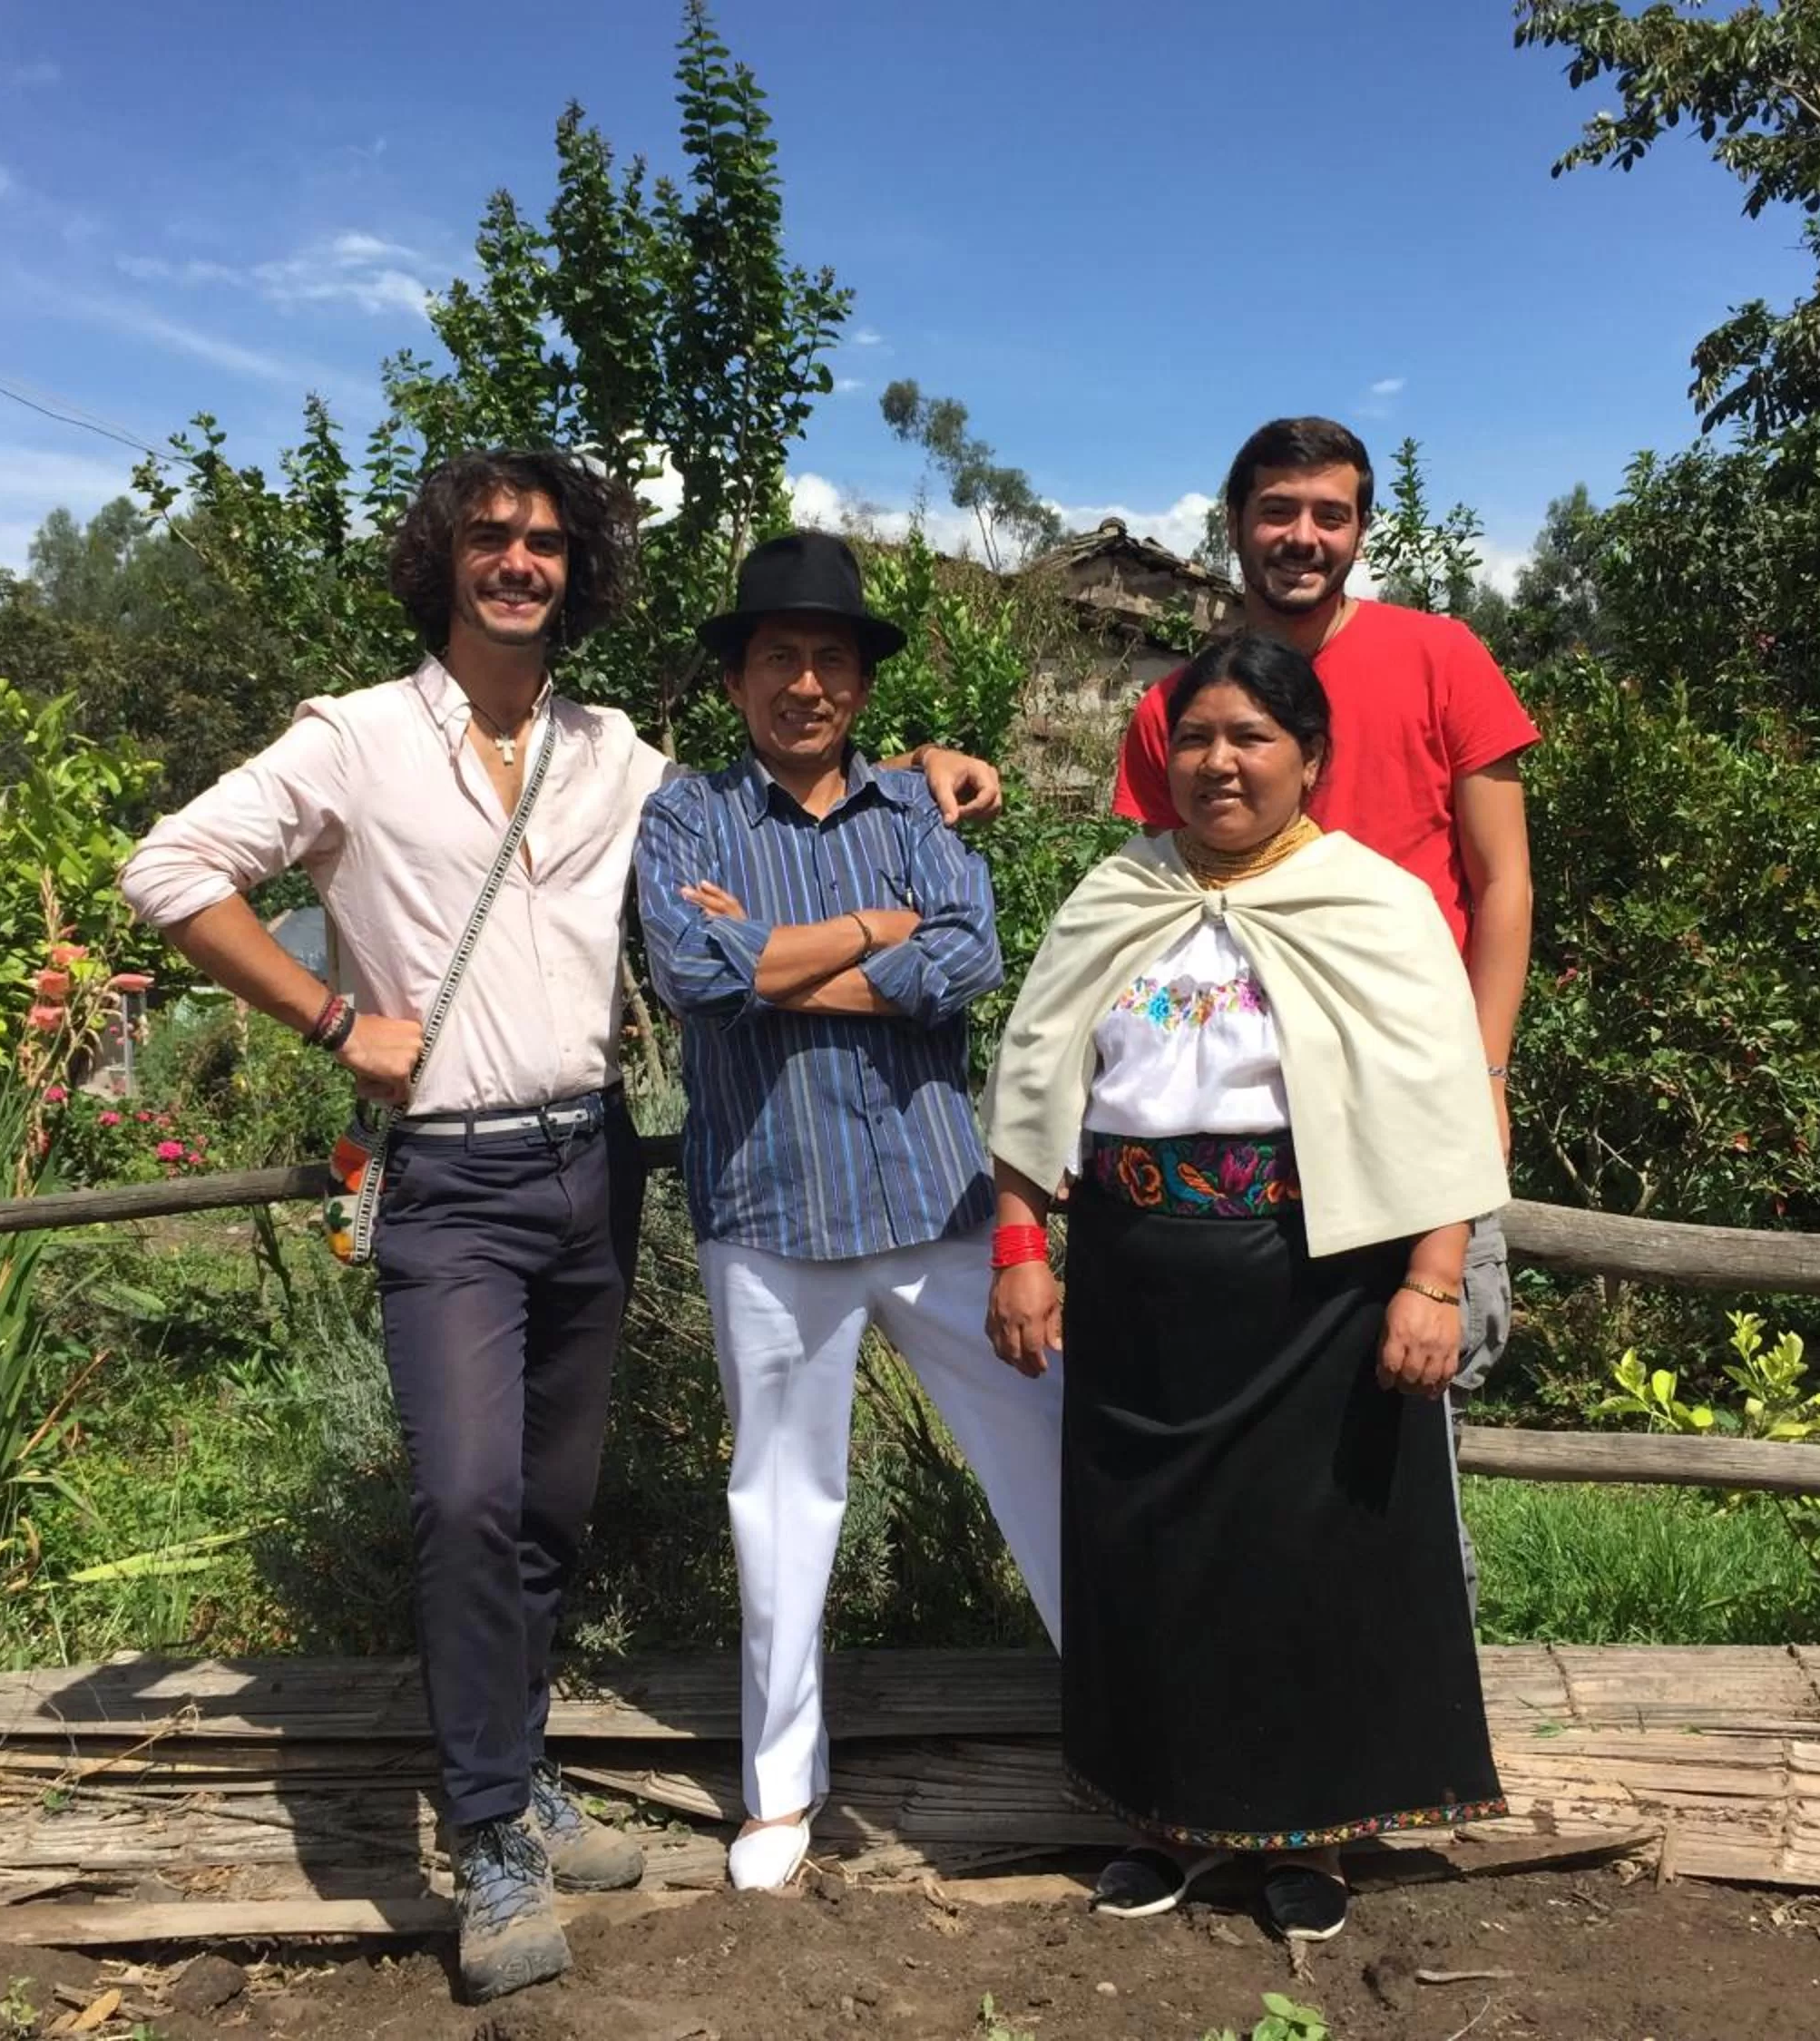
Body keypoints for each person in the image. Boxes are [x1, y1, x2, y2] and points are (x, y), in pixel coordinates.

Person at [117, 454, 1002, 2003]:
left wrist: (924, 766)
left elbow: (787, 770)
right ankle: (489, 1838)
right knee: (462, 1497)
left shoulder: (618, 756)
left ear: (577, 570)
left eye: (544, 541)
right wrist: (335, 1017)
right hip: (449, 1174)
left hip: (591, 1166)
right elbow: (171, 867)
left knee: (543, 1510)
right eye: (490, 538)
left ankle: (517, 1774)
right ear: (444, 561)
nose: (519, 561)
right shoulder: (355, 737)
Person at [986, 630, 1509, 1945]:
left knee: (1306, 1563)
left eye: (1252, 738)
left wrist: (1434, 1280)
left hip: (1315, 1288)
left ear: (1310, 759)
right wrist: (1022, 1244)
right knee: (1149, 1558)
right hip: (1138, 1282)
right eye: (1198, 738)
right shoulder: (1116, 894)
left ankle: (1317, 1835)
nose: (1221, 762)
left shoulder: (1373, 902)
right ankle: (1163, 1812)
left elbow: (1440, 1099)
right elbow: (1039, 1079)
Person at [635, 532, 1063, 1892]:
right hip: (770, 1210)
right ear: (737, 678)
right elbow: (694, 968)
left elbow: (971, 960)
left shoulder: (916, 809)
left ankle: (1135, 1718)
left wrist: (777, 955)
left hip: (939, 1199)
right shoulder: (686, 815)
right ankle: (778, 1787)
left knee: (1046, 1455)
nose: (805, 682)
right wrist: (879, 929)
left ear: (862, 684)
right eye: (778, 657)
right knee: (779, 1496)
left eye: (830, 658)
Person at [1113, 416, 1538, 1606]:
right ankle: (1265, 1701)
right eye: (1278, 511)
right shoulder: (1179, 705)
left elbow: (1503, 882)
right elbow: (1148, 919)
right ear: (1236, 521)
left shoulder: (1439, 656)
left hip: (1415, 1093)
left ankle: (1414, 1708)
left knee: (1415, 1404)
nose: (1303, 537)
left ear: (1359, 528)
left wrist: (1487, 1075)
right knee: (1242, 1415)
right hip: (1237, 1117)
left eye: (1329, 514)